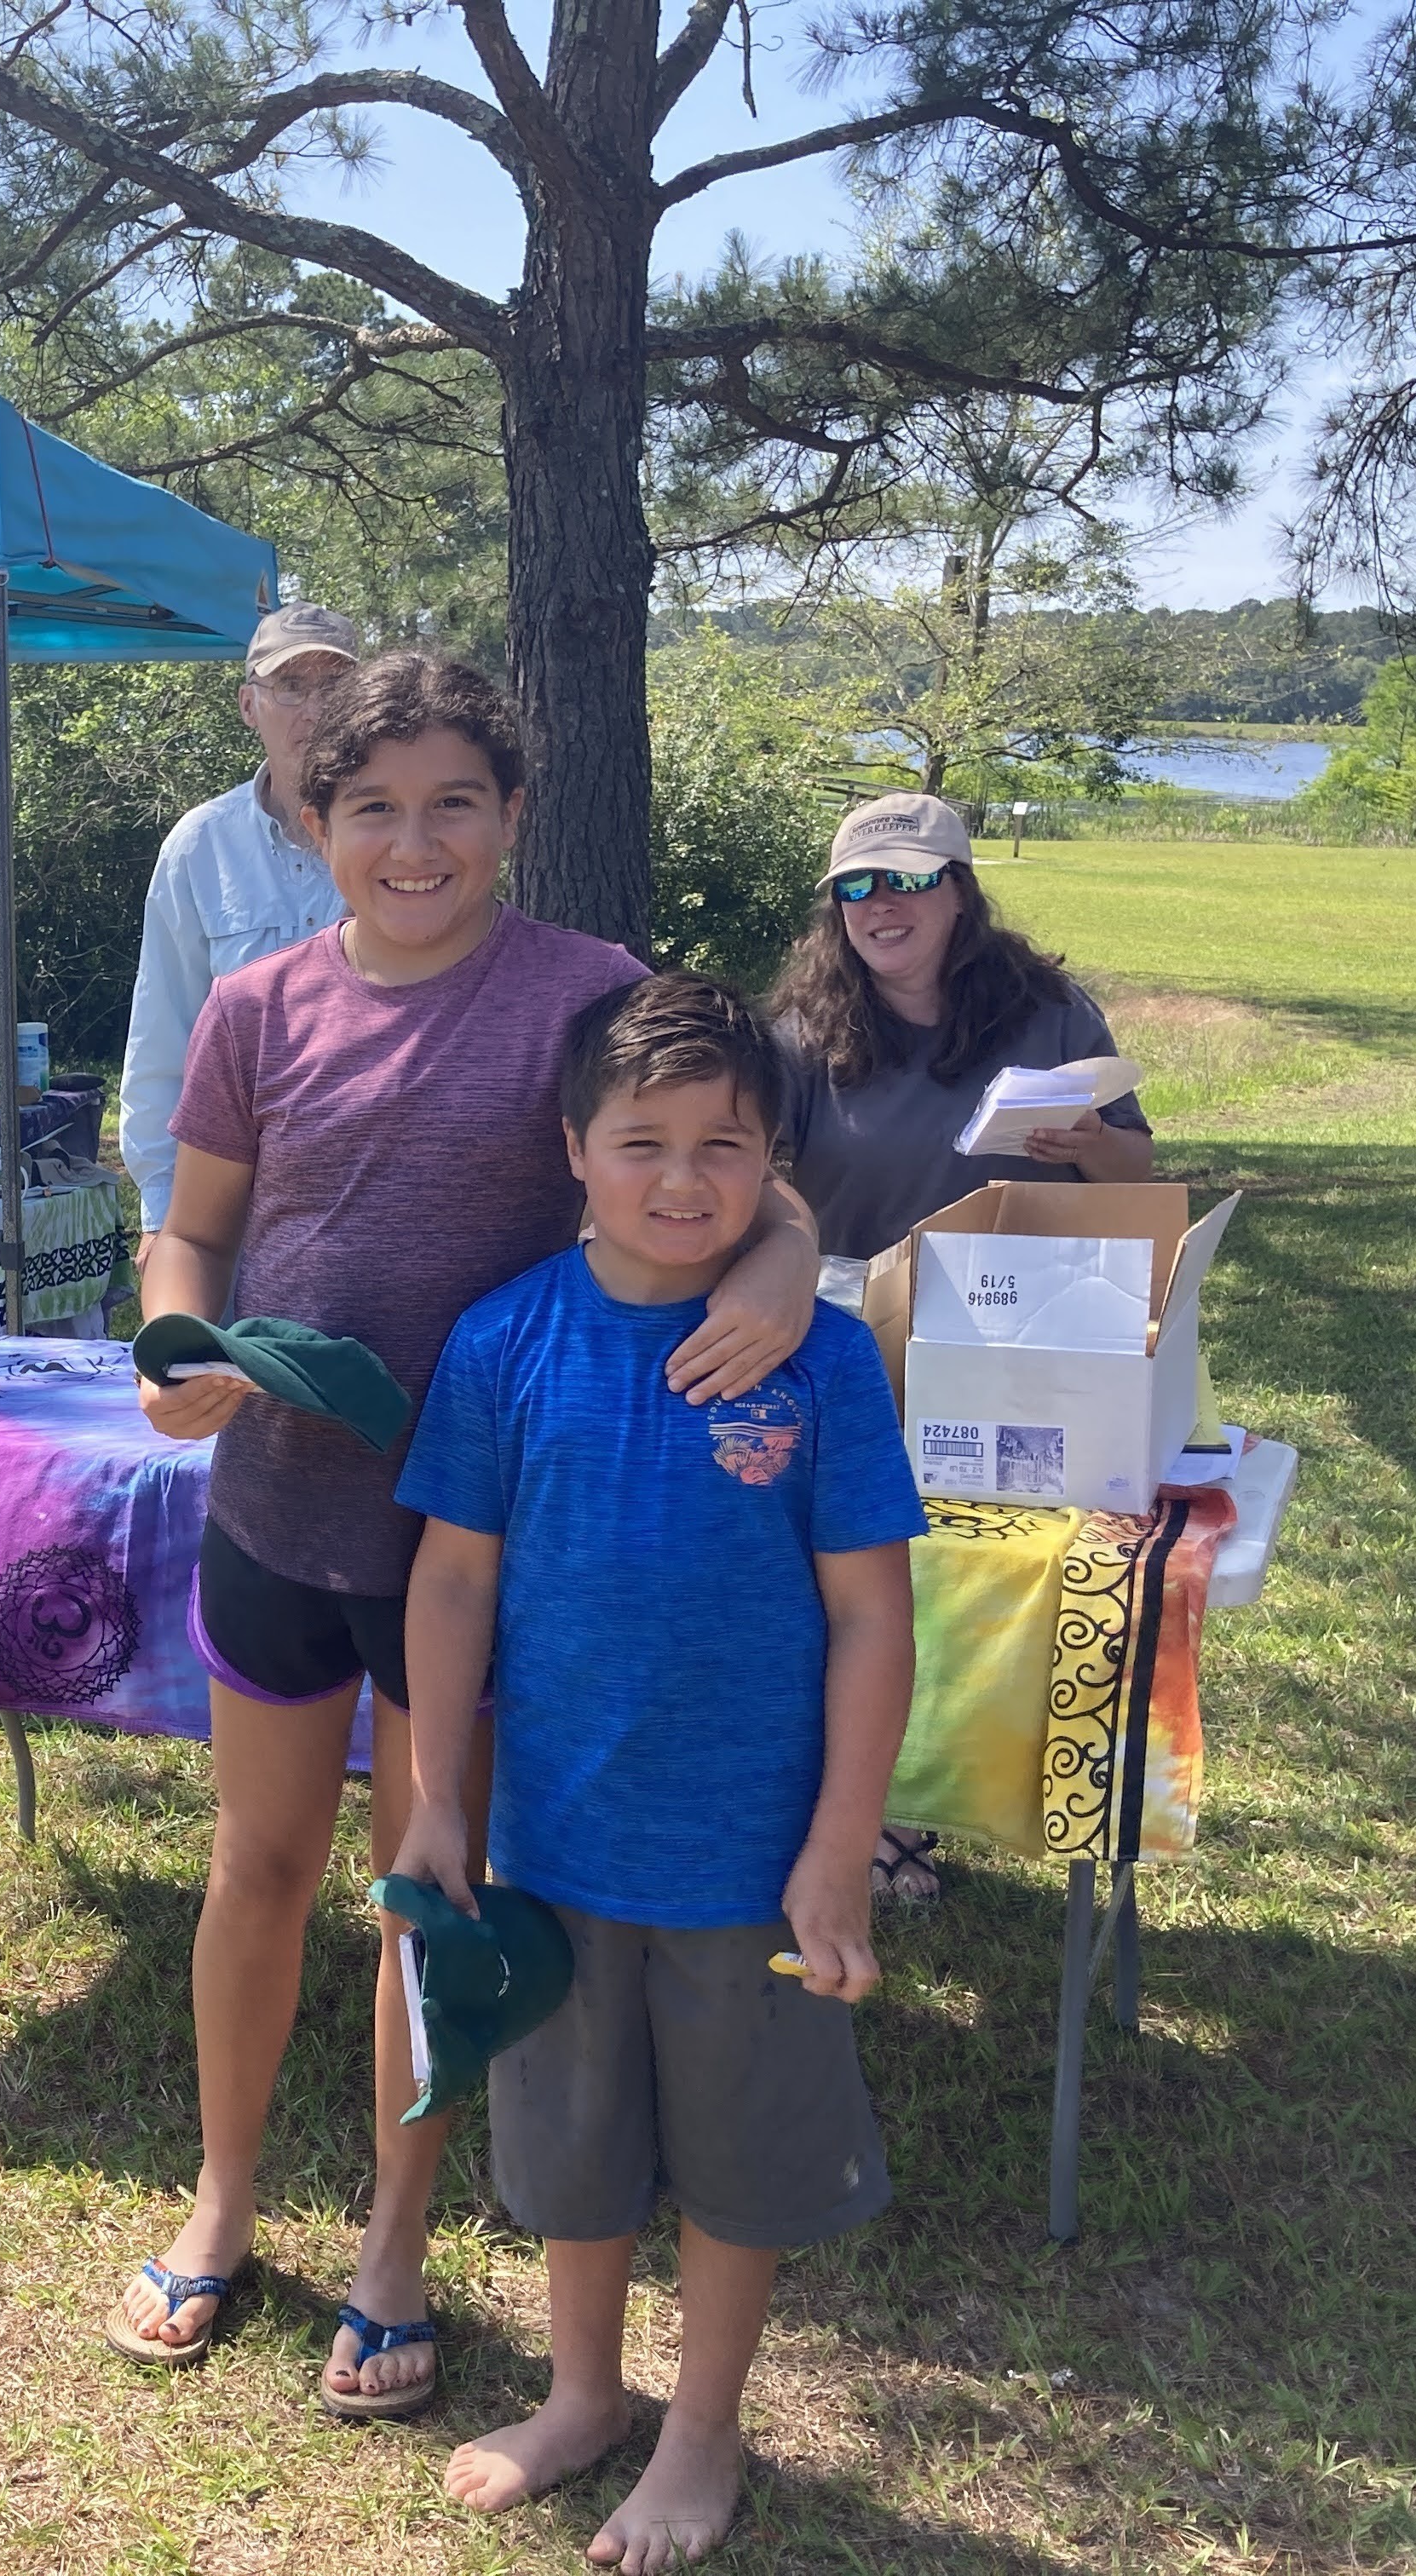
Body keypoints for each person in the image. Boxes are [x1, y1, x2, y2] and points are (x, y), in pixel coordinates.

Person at [105, 653, 824, 2415]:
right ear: (311, 821)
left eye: (453, 804)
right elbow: (191, 1234)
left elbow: (737, 1168)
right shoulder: (257, 1006)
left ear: (511, 814)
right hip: (279, 1513)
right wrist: (174, 1346)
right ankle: (219, 2201)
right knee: (257, 1874)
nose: (413, 843)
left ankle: (393, 2246)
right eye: (372, 809)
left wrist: (791, 1264)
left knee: (429, 1892)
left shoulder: (589, 990)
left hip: (493, 1546)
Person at [391, 972, 924, 2567]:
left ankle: (700, 2428)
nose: (683, 1179)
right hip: (553, 1842)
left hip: (747, 1861)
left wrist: (839, 1846)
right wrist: (434, 1792)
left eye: (725, 1145)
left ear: (774, 1163)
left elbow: (871, 1618)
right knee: (572, 2146)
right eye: (642, 1142)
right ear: (572, 1148)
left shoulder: (817, 1360)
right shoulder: (503, 1340)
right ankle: (581, 2392)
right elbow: (451, 1582)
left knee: (737, 2164)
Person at [768, 791, 1153, 1905]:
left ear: (959, 888)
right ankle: (868, 1812)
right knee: (854, 1574)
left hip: (1020, 1334)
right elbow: (758, 1178)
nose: (882, 904)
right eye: (857, 886)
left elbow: (1138, 1177)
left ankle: (963, 1791)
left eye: (908, 879)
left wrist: (1089, 1148)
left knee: (976, 1584)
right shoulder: (800, 1026)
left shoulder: (1050, 1011)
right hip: (847, 1341)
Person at [116, 602, 360, 1252]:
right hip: (230, 1203)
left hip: (376, 1193)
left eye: (335, 686)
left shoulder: (404, 841)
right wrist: (161, 1211)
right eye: (291, 686)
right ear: (249, 705)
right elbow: (164, 1035)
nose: (314, 709)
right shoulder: (200, 847)